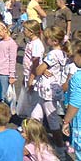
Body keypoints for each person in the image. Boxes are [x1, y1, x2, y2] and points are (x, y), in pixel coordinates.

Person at [31, 26, 70, 160]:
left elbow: (37, 71)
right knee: (34, 118)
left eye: (47, 38)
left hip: (48, 92)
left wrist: (42, 68)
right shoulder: (62, 53)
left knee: (53, 124)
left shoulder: (53, 54)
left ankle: (60, 149)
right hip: (46, 91)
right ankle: (36, 144)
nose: (45, 40)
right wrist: (43, 69)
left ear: (53, 41)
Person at [16, 20, 44, 118]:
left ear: (31, 32)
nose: (23, 31)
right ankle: (29, 121)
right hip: (28, 74)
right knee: (28, 99)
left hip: (34, 77)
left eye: (25, 29)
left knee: (33, 101)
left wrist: (31, 80)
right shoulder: (31, 42)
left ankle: (33, 123)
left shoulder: (36, 44)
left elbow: (35, 64)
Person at [63, 41, 81, 160]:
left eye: (74, 56)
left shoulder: (78, 77)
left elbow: (75, 102)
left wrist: (66, 121)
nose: (73, 60)